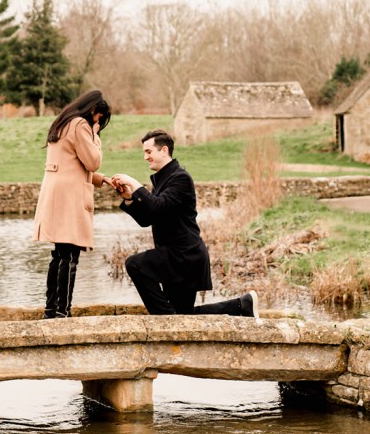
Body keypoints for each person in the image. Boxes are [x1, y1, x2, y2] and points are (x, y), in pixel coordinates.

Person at [111, 129, 260, 319]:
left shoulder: (180, 178)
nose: (145, 157)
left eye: (148, 152)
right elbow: (147, 219)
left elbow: (156, 207)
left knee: (135, 264)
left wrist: (134, 183)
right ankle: (242, 304)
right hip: (176, 257)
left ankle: (165, 322)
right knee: (184, 314)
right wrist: (129, 198)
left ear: (164, 150)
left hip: (184, 256)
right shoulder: (163, 180)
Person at [33, 90, 112, 318]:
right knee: (69, 256)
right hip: (68, 197)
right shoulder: (80, 125)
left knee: (59, 254)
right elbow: (92, 161)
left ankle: (51, 310)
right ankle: (63, 312)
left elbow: (70, 162)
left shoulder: (64, 121)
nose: (97, 123)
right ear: (93, 110)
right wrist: (95, 136)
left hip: (56, 193)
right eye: (98, 118)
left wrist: (100, 180)